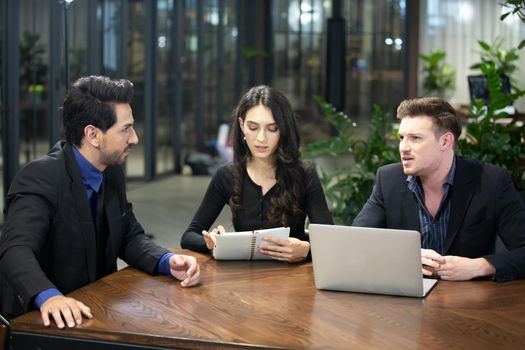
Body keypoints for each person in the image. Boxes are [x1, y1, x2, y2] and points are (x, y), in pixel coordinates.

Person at [0, 76, 200, 328]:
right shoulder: (40, 177)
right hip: (38, 321)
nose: (135, 138)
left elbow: (129, 236)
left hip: (95, 309)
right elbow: (15, 250)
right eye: (125, 129)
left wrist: (166, 261)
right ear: (93, 135)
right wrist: (49, 297)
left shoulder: (111, 171)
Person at [353, 97, 525, 281]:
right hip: (405, 299)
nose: (403, 148)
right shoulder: (389, 180)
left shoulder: (492, 182)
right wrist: (403, 258)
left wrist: (479, 266)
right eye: (401, 138)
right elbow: (356, 242)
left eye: (415, 138)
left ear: (445, 142)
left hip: (468, 302)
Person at [181, 85, 333, 262]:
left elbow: (329, 240)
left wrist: (306, 249)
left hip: (293, 279)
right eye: (253, 127)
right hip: (244, 280)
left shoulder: (304, 174)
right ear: (241, 125)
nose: (261, 138)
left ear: (283, 130)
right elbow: (189, 236)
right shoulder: (227, 175)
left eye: (272, 128)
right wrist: (210, 242)